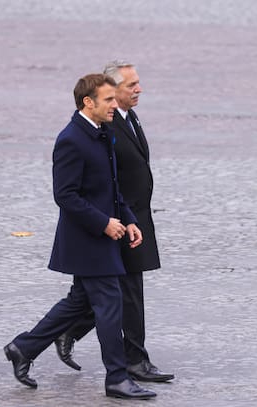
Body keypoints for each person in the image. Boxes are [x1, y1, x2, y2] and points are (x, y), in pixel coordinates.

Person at [4, 73, 156, 400]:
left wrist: (128, 220)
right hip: (87, 242)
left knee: (78, 303)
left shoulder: (101, 133)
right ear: (88, 102)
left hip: (103, 237)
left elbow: (113, 186)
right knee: (110, 304)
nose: (115, 105)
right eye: (109, 100)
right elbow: (66, 195)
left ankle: (23, 347)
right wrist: (104, 224)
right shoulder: (71, 139)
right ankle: (117, 378)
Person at [54, 61, 174, 383]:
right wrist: (115, 219)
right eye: (131, 85)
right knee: (121, 293)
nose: (139, 89)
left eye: (137, 83)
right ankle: (134, 361)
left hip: (133, 218)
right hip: (114, 221)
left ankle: (65, 332)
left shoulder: (128, 118)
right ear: (111, 90)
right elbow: (89, 184)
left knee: (101, 293)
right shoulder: (103, 127)